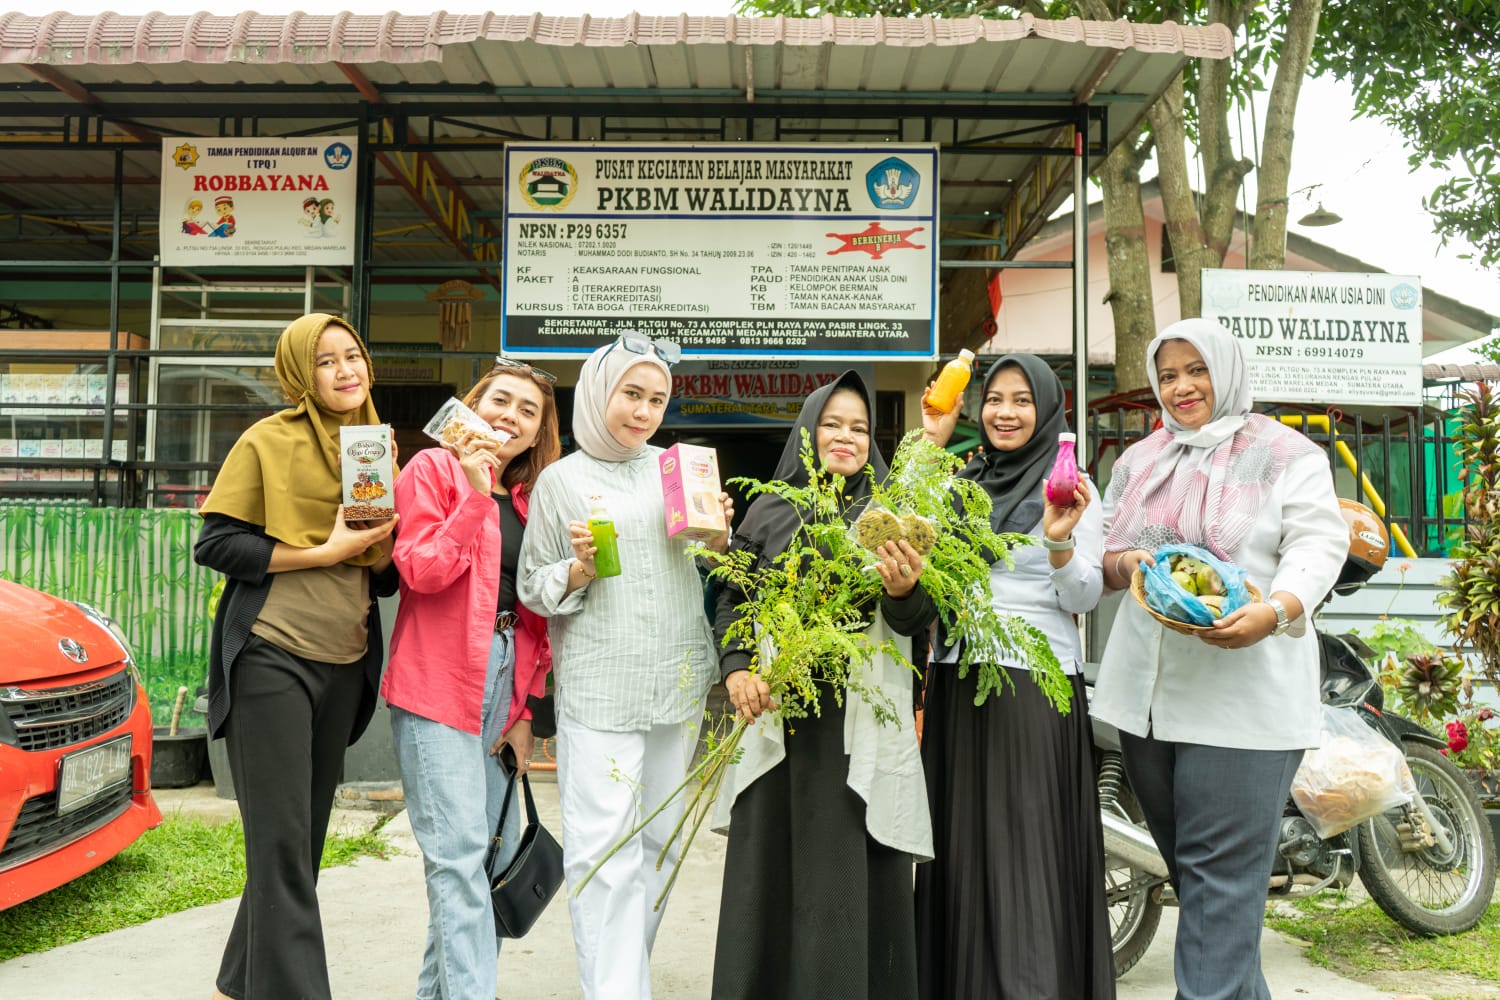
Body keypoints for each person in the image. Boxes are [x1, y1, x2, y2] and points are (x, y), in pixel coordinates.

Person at [1092, 317, 1346, 1000]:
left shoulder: (1286, 454)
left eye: (1197, 370)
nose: (1182, 387)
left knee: (1218, 890)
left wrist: (1276, 611)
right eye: (1168, 375)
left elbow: (1318, 543)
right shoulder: (1141, 462)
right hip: (1146, 706)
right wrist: (1124, 562)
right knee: (1207, 893)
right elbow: (1102, 549)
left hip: (1242, 703)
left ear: (1226, 371)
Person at [516, 333, 732, 1000]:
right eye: (630, 394)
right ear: (597, 393)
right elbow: (532, 585)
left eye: (657, 399)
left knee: (660, 842)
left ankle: (623, 977)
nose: (643, 411)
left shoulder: (676, 468)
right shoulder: (560, 481)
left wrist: (719, 536)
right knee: (605, 850)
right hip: (602, 688)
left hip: (676, 681)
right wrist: (579, 569)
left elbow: (711, 565)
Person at [709, 371, 937, 1000]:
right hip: (779, 711)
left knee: (843, 872)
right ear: (808, 432)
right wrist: (738, 668)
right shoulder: (769, 510)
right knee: (772, 870)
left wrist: (904, 591)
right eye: (832, 423)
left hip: (855, 722)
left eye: (860, 428)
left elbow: (917, 624)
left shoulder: (893, 517)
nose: (846, 436)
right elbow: (732, 600)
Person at [194, 313, 399, 1000]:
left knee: (301, 842)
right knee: (281, 841)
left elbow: (384, 575)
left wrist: (384, 542)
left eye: (353, 355)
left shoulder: (376, 449)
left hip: (344, 661)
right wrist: (324, 550)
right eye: (325, 360)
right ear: (299, 374)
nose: (345, 370)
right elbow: (217, 544)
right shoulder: (267, 440)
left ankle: (236, 984)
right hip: (272, 656)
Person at [914, 354, 1115, 999]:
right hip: (957, 681)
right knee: (961, 853)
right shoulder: (959, 484)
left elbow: (1084, 597)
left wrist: (1058, 542)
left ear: (1047, 409)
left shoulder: (1071, 486)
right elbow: (895, 537)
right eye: (995, 399)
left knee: (1024, 852)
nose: (1005, 412)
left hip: (1033, 685)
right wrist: (931, 439)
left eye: (1022, 400)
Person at [383, 357, 561, 1000]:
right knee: (457, 857)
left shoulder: (531, 499)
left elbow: (536, 614)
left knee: (488, 859)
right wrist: (474, 494)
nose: (509, 417)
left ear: (539, 431)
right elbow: (421, 570)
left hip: (507, 678)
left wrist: (526, 712)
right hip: (438, 676)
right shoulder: (432, 469)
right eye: (499, 401)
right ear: (473, 406)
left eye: (527, 411)